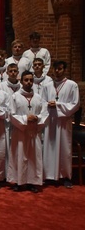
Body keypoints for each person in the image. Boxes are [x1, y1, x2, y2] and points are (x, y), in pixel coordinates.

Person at [8, 70, 48, 193]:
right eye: (26, 80)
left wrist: (37, 118)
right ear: (21, 81)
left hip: (34, 132)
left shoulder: (38, 97)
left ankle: (32, 182)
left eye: (31, 80)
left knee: (33, 157)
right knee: (19, 156)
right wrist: (26, 119)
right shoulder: (15, 97)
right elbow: (11, 114)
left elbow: (44, 113)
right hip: (20, 132)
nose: (29, 82)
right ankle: (19, 181)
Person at [42, 60, 80, 188]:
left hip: (63, 122)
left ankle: (66, 176)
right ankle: (49, 175)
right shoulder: (47, 85)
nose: (57, 71)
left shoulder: (72, 85)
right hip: (50, 121)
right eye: (56, 69)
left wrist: (57, 105)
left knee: (64, 148)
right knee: (49, 147)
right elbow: (41, 102)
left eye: (60, 69)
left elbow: (75, 104)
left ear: (65, 70)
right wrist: (47, 105)